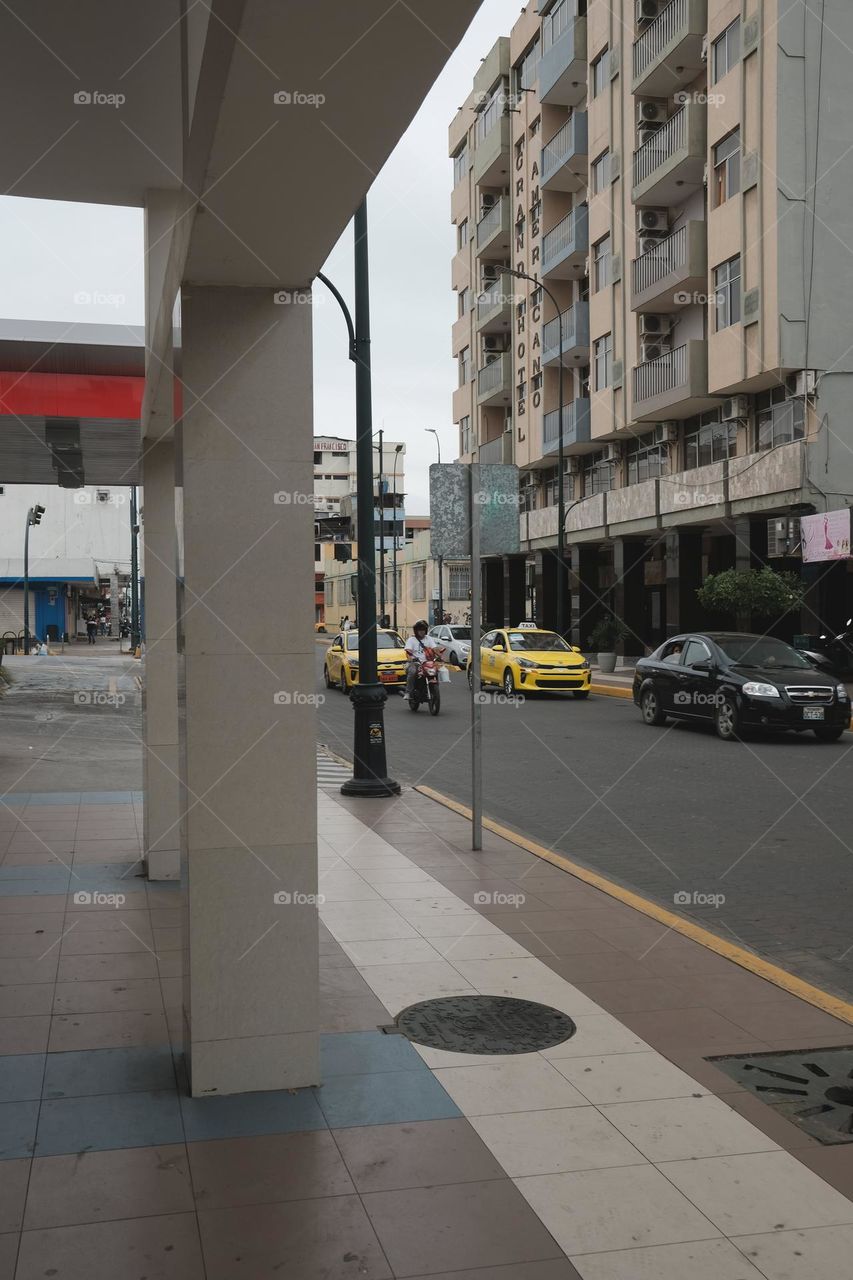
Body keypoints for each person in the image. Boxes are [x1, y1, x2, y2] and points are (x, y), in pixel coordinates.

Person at [405, 619, 443, 699]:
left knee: (436, 671)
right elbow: (408, 651)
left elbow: (434, 648)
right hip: (415, 663)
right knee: (412, 672)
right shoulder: (411, 640)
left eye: (423, 629)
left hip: (428, 663)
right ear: (416, 630)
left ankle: (434, 689)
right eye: (420, 630)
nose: (422, 631)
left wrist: (440, 656)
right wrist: (410, 658)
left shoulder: (429, 638)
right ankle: (408, 692)